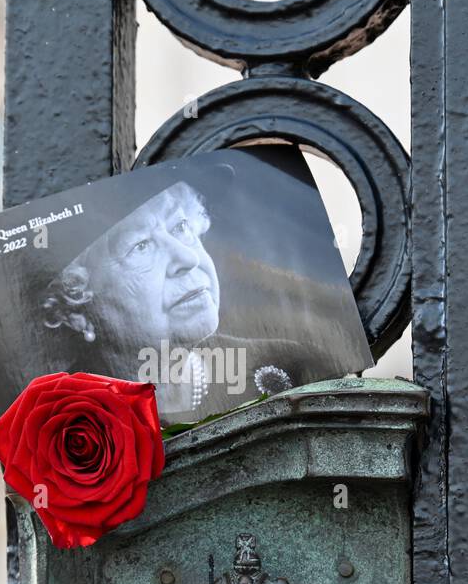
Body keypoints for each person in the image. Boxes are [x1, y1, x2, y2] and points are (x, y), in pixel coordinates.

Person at [40, 179, 318, 421]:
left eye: (180, 226)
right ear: (76, 310)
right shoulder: (55, 420)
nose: (188, 258)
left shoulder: (292, 364)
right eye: (140, 246)